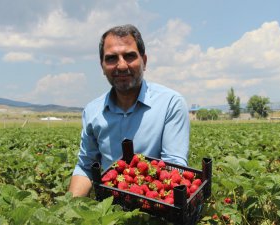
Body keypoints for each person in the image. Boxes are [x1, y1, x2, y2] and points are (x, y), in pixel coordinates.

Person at [68, 24, 190, 197]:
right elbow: (86, 166)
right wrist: (67, 210)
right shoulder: (92, 111)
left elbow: (173, 168)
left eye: (129, 56)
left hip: (155, 204)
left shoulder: (170, 103)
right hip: (109, 209)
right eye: (111, 58)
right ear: (102, 66)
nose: (122, 65)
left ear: (144, 61)